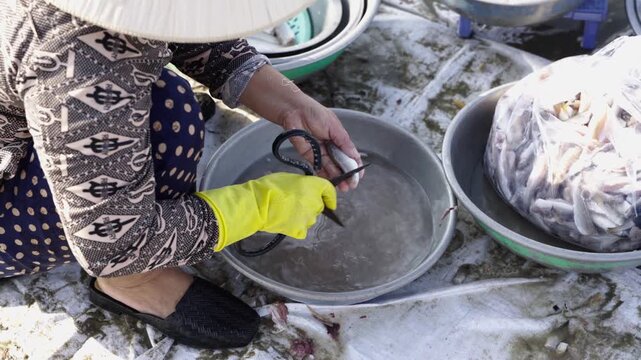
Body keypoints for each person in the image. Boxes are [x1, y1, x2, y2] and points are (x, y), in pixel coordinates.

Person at [0, 0, 363, 349]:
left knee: (160, 97)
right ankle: (134, 283)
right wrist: (260, 205)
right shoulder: (82, 64)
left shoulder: (114, 15)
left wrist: (291, 105)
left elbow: (176, 17)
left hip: (36, 107)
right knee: (171, 132)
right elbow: (118, 245)